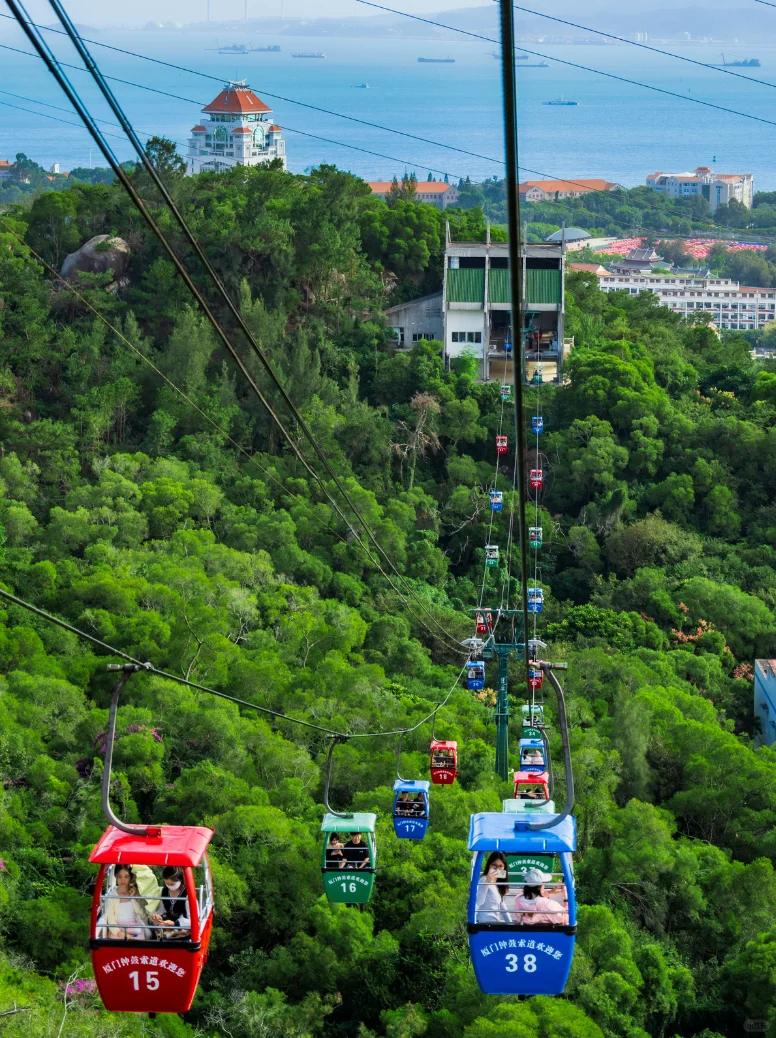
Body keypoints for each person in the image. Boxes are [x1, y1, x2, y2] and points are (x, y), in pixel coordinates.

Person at [97, 865, 149, 940]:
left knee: (139, 939)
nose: (123, 880)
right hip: (118, 928)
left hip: (134, 927)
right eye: (120, 877)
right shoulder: (111, 896)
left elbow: (142, 914)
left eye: (126, 877)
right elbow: (110, 918)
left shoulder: (136, 892)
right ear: (116, 877)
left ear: (130, 877)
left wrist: (132, 898)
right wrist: (119, 933)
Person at [150, 866, 190, 939]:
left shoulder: (187, 894)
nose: (169, 886)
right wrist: (158, 916)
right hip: (167, 922)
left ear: (180, 880)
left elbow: (193, 920)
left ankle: (171, 934)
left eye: (172, 884)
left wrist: (174, 924)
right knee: (151, 922)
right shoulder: (164, 891)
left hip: (183, 924)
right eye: (166, 884)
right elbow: (162, 909)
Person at [476, 852, 511, 923]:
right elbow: (479, 901)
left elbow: (502, 906)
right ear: (489, 865)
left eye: (500, 866)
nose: (497, 869)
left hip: (495, 923)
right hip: (484, 924)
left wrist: (511, 924)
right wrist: (487, 882)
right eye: (494, 865)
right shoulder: (484, 879)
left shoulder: (497, 883)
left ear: (504, 868)